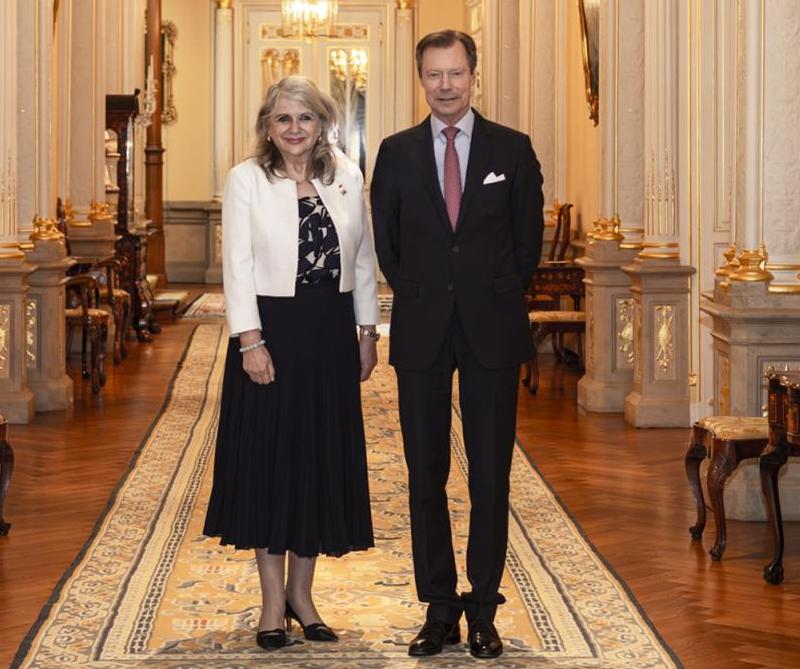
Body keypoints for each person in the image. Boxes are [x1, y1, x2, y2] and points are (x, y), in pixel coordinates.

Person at [370, 30, 544, 660]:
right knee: (425, 474)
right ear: (421, 79)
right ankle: (439, 608)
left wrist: (491, 293)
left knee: (491, 475)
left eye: (456, 74)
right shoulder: (394, 153)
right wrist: (424, 290)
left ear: (474, 76)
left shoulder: (513, 150)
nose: (445, 86)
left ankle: (483, 609)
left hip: (492, 331)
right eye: (434, 75)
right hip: (421, 328)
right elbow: (387, 243)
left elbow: (529, 245)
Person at [203, 75, 380, 652]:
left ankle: (305, 597)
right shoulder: (246, 180)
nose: (295, 129)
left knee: (317, 460)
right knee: (271, 462)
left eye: (305, 118)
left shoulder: (347, 176)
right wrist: (249, 342)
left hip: (330, 335)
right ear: (268, 127)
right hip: (271, 337)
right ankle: (272, 602)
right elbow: (238, 265)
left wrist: (367, 329)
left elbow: (361, 260)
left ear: (322, 122)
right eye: (283, 119)